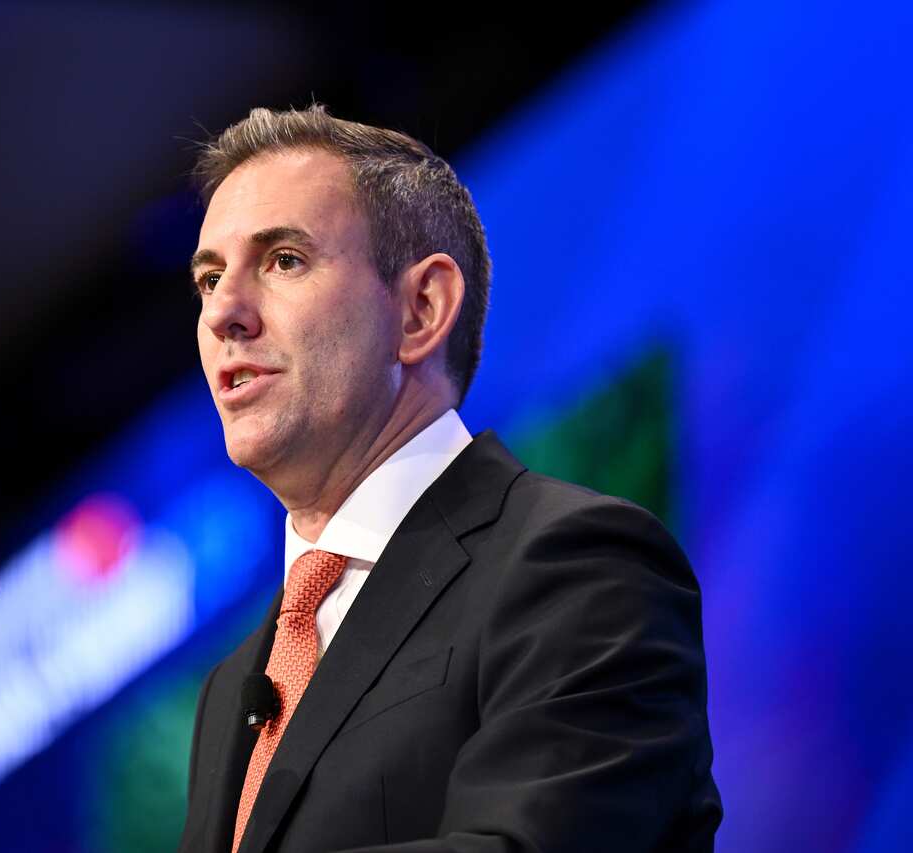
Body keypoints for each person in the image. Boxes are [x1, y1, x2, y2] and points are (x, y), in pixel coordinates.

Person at [178, 105, 721, 853]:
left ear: (420, 310)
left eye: (283, 260)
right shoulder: (236, 682)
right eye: (209, 279)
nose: (223, 314)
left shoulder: (573, 562)